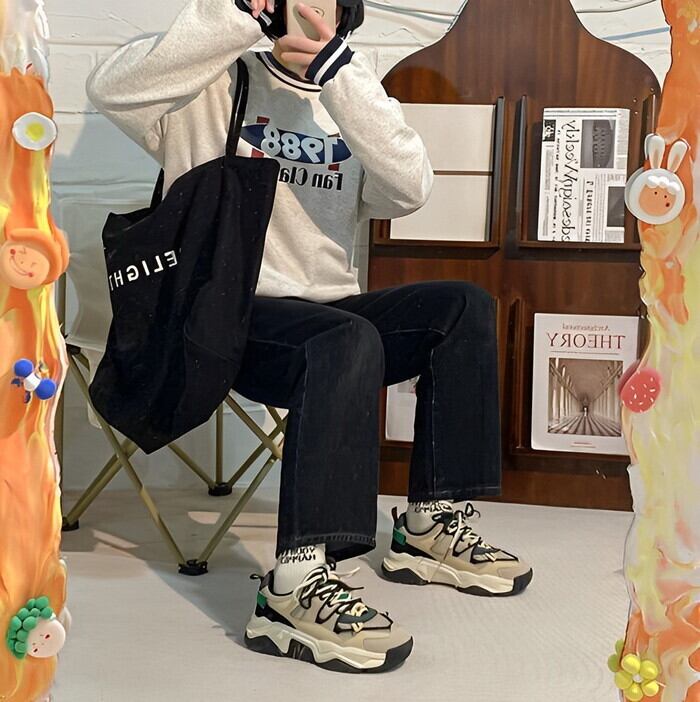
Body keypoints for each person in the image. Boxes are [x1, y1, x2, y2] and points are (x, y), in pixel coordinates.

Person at [85, 0, 533, 674]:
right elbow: (111, 88)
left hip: (327, 315)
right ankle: (293, 587)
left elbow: (410, 188)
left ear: (346, 14)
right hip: (220, 318)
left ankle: (428, 526)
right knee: (344, 339)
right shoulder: (208, 81)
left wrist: (341, 78)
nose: (309, 9)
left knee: (461, 307)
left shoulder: (349, 94)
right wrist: (236, 19)